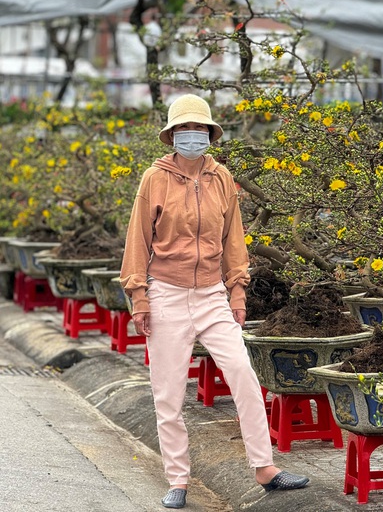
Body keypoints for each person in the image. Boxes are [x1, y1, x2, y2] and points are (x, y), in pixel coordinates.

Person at [120, 94, 309, 509]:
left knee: (243, 372)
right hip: (165, 295)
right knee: (168, 393)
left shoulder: (221, 176)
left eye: (200, 129)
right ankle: (178, 479)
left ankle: (265, 468)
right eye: (185, 129)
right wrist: (139, 298)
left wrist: (236, 290)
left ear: (209, 133)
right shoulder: (154, 178)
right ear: (173, 135)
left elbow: (233, 238)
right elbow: (138, 240)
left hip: (211, 295)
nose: (193, 135)